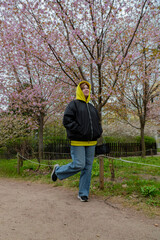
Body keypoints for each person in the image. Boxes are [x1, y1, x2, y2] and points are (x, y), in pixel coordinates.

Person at [51, 80, 103, 202]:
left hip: (91, 143)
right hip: (77, 142)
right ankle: (58, 171)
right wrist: (80, 130)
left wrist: (98, 131)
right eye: (83, 88)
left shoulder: (92, 107)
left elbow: (98, 123)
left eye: (87, 88)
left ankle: (83, 193)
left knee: (88, 168)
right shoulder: (73, 105)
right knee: (79, 164)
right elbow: (67, 121)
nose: (86, 89)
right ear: (79, 90)